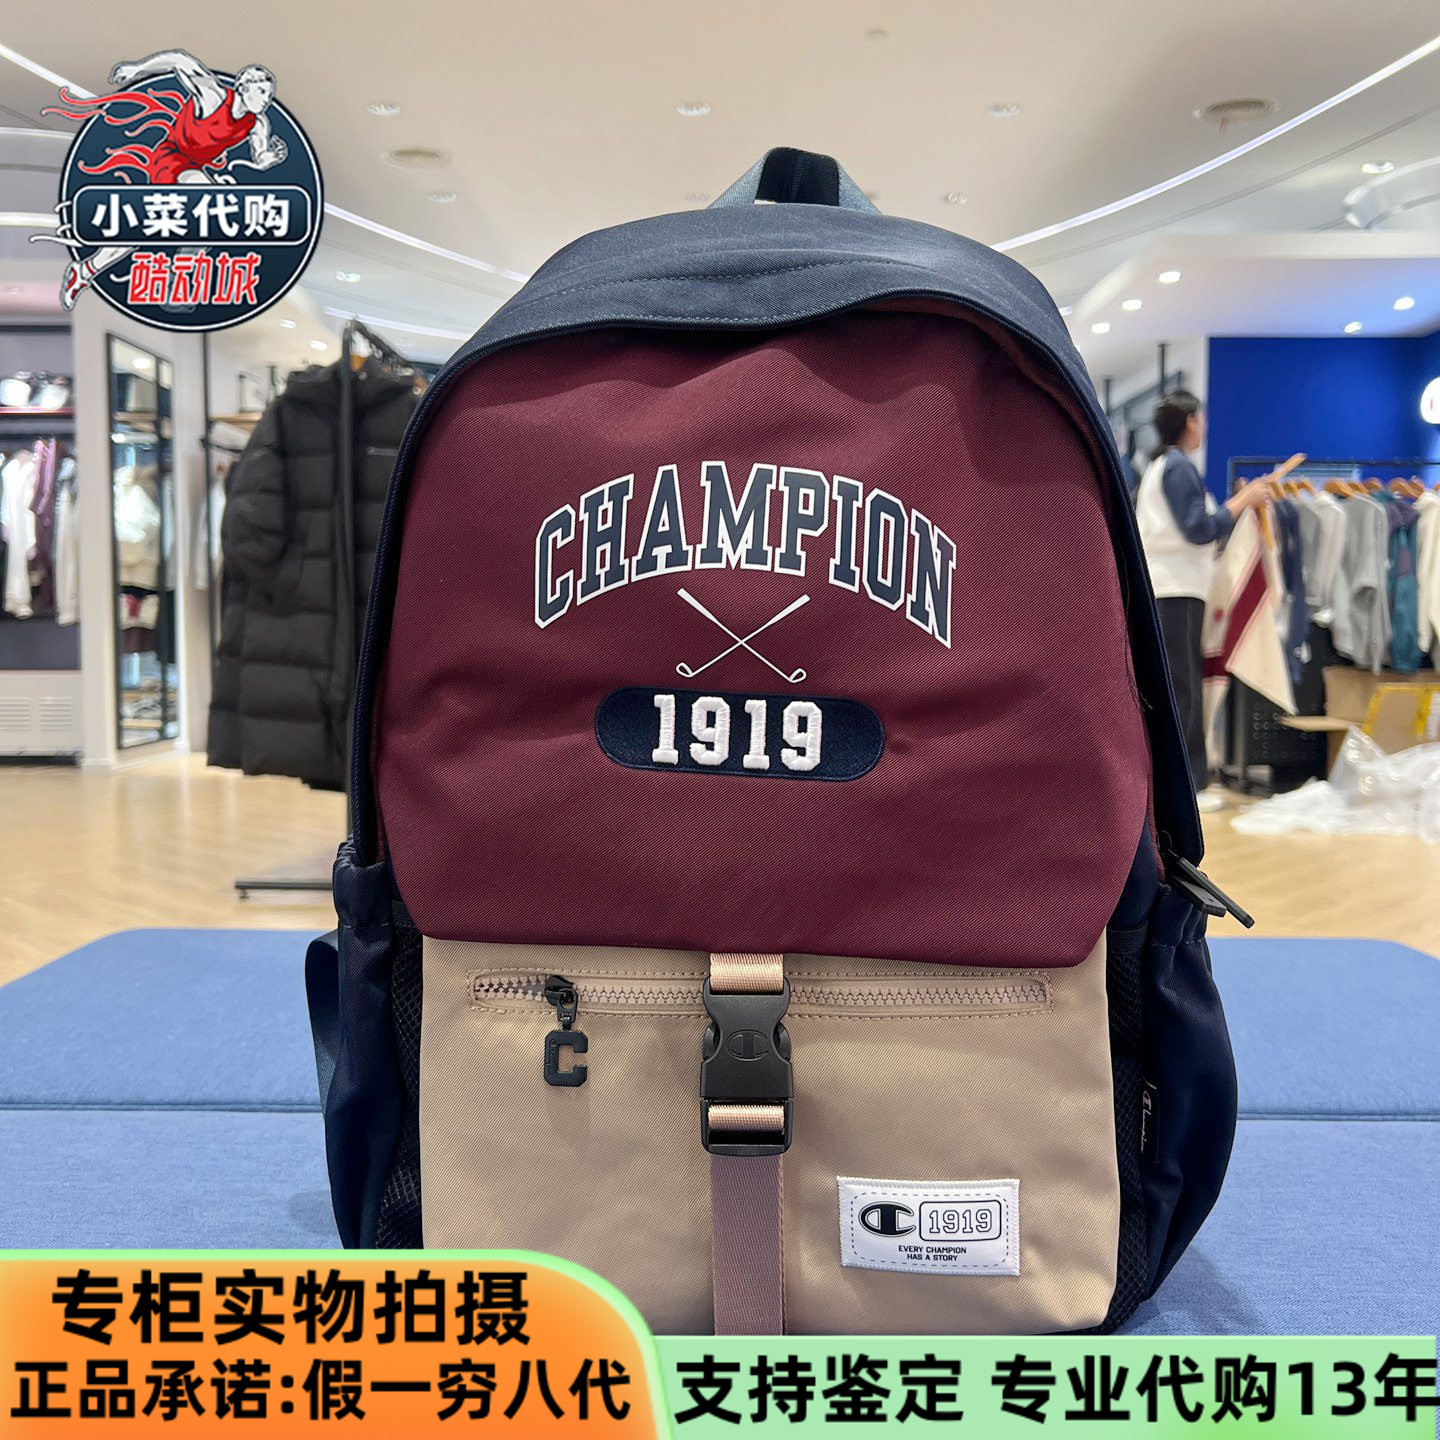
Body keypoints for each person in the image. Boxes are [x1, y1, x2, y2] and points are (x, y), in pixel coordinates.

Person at [39, 52, 288, 309]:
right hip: (170, 157)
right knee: (209, 202)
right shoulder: (213, 96)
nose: (266, 100)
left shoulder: (257, 124)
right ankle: (175, 276)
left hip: (193, 168)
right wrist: (137, 69)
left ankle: (84, 272)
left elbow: (260, 157)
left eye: (269, 95)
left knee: (145, 230)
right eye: (262, 92)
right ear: (243, 87)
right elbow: (180, 60)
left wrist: (271, 158)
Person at [1134, 391, 1272, 813]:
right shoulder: (1177, 467)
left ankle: (1180, 782)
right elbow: (1198, 528)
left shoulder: (1162, 467)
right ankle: (1189, 785)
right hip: (1175, 590)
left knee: (1177, 686)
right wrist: (1242, 502)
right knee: (1183, 688)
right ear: (1191, 421)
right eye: (1203, 418)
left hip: (1170, 589)